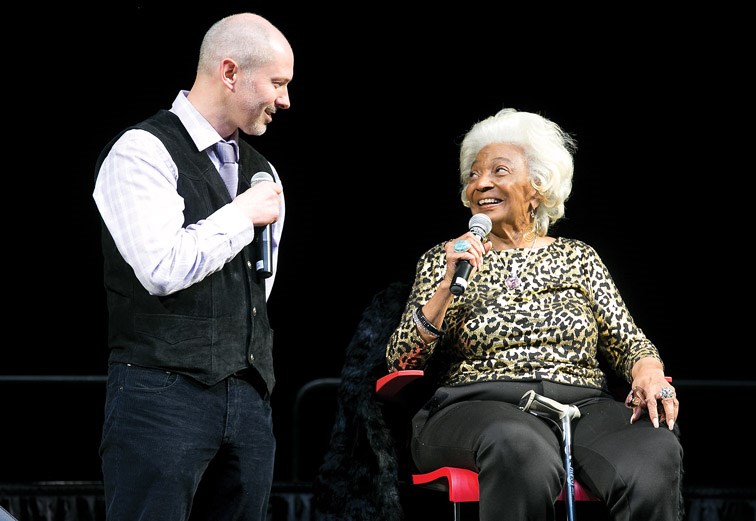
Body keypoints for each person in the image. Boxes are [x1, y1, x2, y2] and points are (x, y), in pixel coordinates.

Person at [386, 108, 683, 521]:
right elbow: (401, 359)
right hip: (474, 406)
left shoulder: (578, 257)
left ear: (537, 186)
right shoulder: (446, 257)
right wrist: (446, 286)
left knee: (654, 449)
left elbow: (628, 340)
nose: (481, 183)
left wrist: (648, 371)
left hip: (581, 407)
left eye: (499, 171)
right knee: (519, 445)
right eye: (473, 175)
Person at [92, 12, 293, 521]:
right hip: (160, 397)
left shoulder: (262, 171)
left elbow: (257, 287)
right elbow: (160, 268)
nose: (285, 100)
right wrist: (240, 215)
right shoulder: (142, 151)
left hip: (247, 398)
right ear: (230, 73)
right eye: (277, 82)